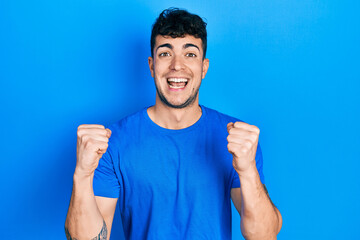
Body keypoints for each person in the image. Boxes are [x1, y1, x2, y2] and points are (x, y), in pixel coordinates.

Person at [65, 8, 282, 240]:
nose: (177, 65)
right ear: (151, 66)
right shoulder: (111, 143)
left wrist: (248, 170)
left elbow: (264, 235)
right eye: (165, 54)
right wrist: (82, 174)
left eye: (190, 54)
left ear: (204, 68)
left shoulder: (236, 139)